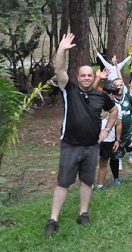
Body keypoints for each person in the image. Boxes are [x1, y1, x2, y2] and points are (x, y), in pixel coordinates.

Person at [44, 34, 118, 236]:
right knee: (63, 182)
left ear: (94, 77)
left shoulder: (100, 96)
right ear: (77, 78)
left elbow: (114, 111)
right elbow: (59, 70)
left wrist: (106, 130)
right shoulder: (69, 90)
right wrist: (62, 50)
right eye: (83, 75)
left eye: (89, 75)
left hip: (92, 147)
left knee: (87, 181)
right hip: (70, 145)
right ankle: (53, 219)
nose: (86, 78)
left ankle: (83, 213)